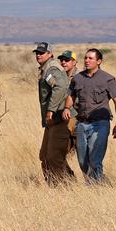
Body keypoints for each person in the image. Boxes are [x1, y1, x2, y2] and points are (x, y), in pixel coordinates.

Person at [61, 48, 116, 184]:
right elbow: (71, 95)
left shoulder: (108, 79)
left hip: (100, 124)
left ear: (99, 61)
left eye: (91, 58)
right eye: (85, 58)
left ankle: (96, 189)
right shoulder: (77, 78)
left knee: (95, 159)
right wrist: (66, 108)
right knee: (83, 160)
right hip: (82, 124)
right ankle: (103, 182)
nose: (87, 61)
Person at [34, 42, 75, 185]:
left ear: (50, 54)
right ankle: (55, 185)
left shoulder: (51, 69)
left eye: (42, 52)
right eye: (37, 52)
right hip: (53, 120)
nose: (38, 55)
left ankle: (63, 187)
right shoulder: (46, 68)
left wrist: (50, 109)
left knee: (53, 156)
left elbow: (60, 86)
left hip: (59, 117)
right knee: (45, 156)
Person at [58, 50, 79, 153]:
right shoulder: (61, 76)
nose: (63, 62)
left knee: (78, 146)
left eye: (67, 60)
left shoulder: (80, 77)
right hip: (66, 115)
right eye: (62, 60)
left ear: (74, 62)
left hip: (77, 116)